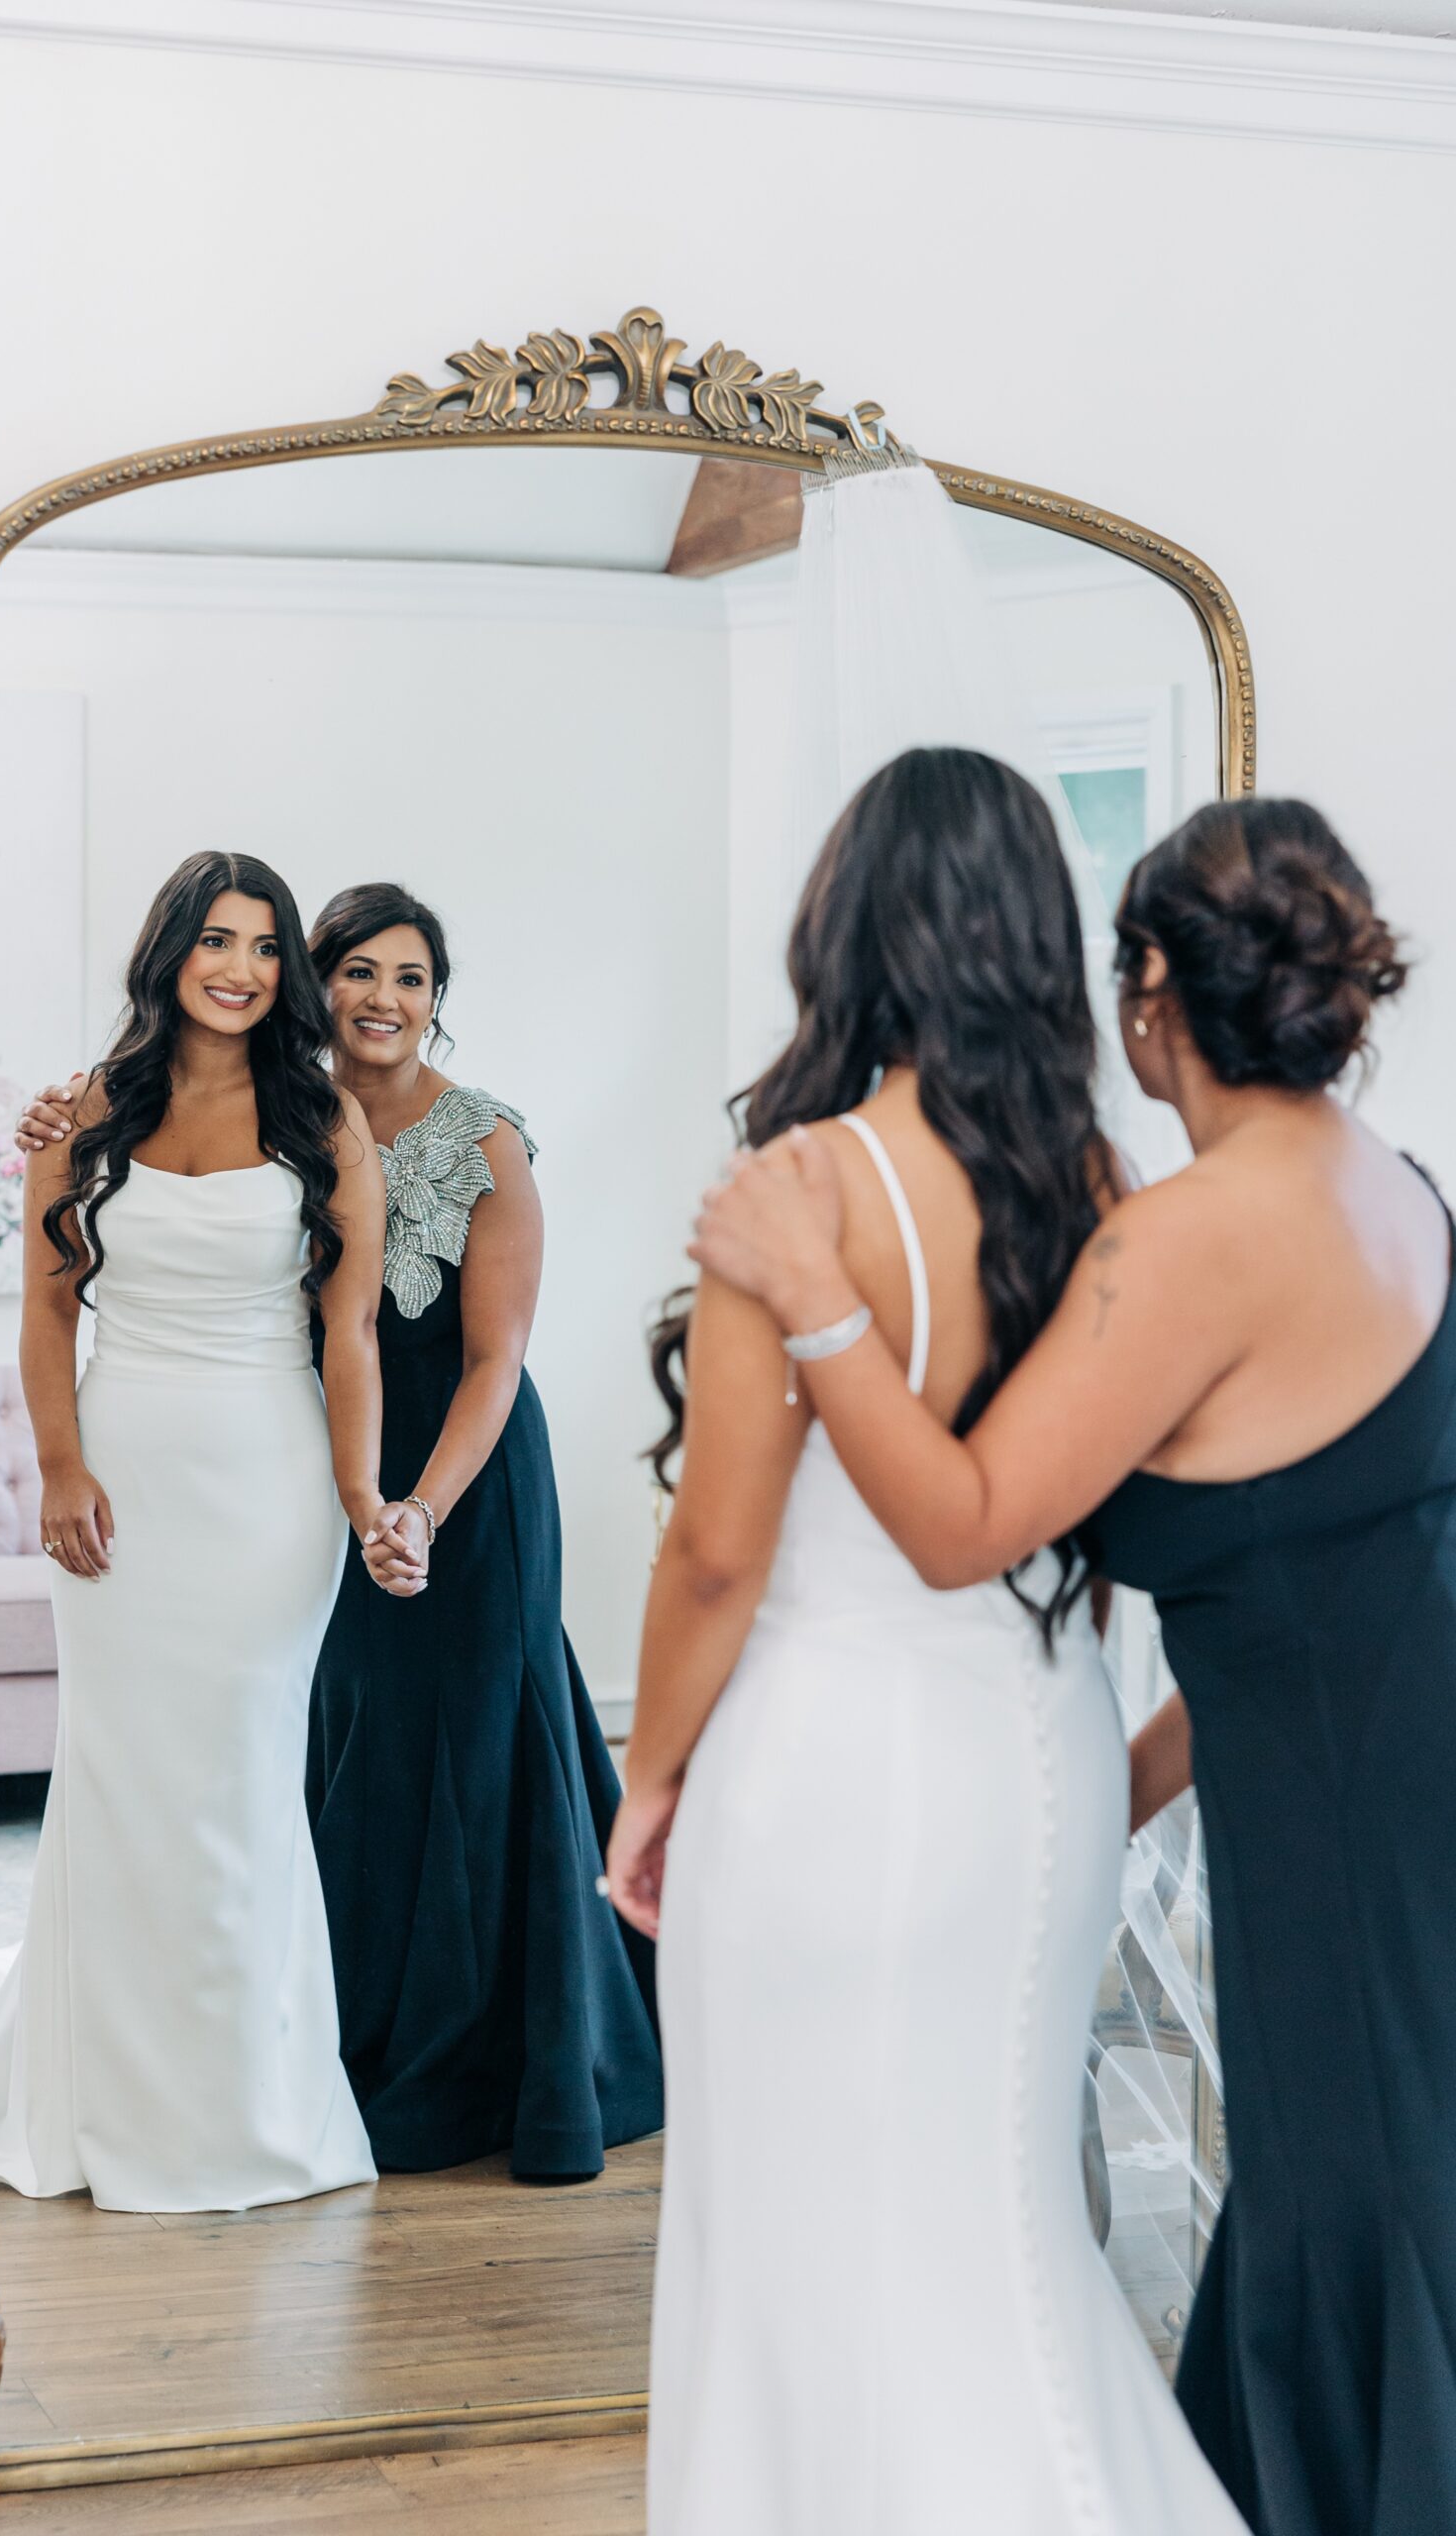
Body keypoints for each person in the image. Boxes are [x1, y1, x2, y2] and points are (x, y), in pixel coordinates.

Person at [689, 792, 1445, 2536]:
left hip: (1346, 1835)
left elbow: (963, 1527)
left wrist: (817, 1301)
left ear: (1155, 987)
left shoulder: (1193, 1234)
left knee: (1373, 2221)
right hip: (1380, 1773)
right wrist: (1130, 1776)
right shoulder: (1384, 1184)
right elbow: (1316, 1577)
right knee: (1363, 2208)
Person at [607, 748, 1246, 2536]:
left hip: (833, 1774)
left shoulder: (806, 1187)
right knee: (995, 2230)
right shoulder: (1103, 1191)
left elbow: (718, 1552)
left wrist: (650, 1779)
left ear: (849, 923)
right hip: (1032, 1757)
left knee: (811, 2246)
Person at [21, 882, 662, 2183]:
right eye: (356, 972)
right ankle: (338, 2045)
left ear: (437, 1000)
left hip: (463, 1474)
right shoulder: (271, 1111)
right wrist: (60, 1115)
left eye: (411, 977)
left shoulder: (485, 1143)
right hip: (304, 1455)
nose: (382, 998)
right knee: (340, 1747)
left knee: (482, 1745)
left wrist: (413, 1503)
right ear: (320, 991)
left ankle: (518, 2069)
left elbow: (495, 1361)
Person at [0, 853, 382, 2213]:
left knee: (245, 1787)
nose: (242, 966)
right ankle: (105, 2105)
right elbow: (45, 1314)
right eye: (217, 938)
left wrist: (363, 1495)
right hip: (124, 1475)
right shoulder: (84, 1112)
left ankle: (247, 2109)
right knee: (125, 1783)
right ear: (172, 953)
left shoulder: (324, 1122)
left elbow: (352, 1334)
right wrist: (63, 1467)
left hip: (269, 1487)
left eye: (265, 945)